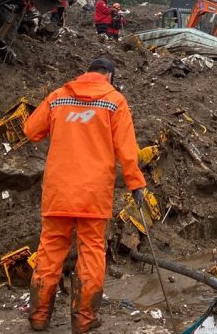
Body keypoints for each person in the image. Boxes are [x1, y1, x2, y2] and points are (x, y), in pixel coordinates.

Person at [24, 56, 146, 333]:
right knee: (91, 252)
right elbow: (127, 151)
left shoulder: (58, 97)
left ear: (86, 73)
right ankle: (84, 320)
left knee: (50, 250)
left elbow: (31, 131)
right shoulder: (114, 101)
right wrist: (136, 184)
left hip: (58, 191)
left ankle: (39, 317)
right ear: (110, 76)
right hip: (93, 193)